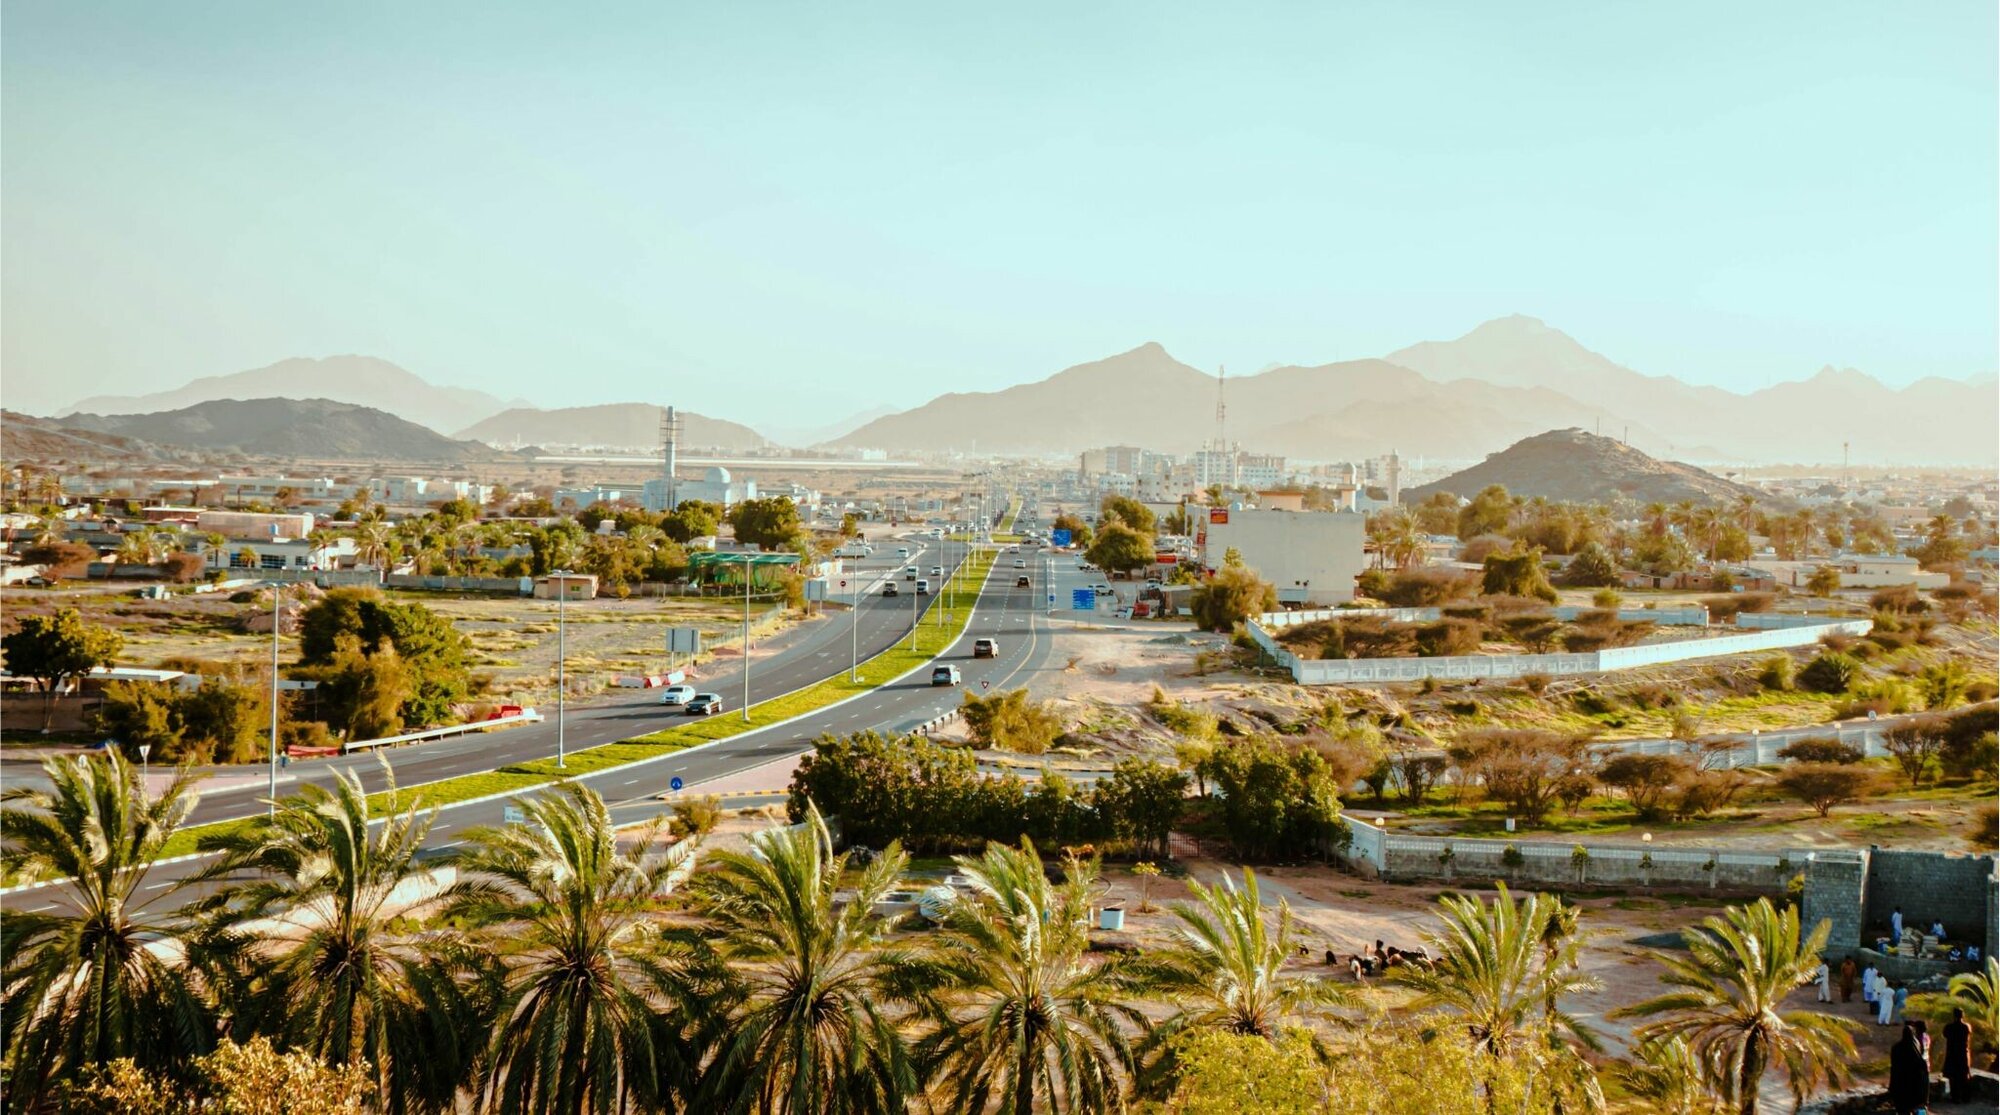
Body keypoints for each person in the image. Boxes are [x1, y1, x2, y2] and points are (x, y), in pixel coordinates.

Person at [1887, 1022, 1929, 1115]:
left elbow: (1894, 1067)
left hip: (1901, 1083)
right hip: (1915, 1084)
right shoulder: (1916, 1045)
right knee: (1916, 1108)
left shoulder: (1896, 1047)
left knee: (1903, 1109)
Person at [1942, 1007, 1972, 1101]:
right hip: (1963, 1054)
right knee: (1963, 1076)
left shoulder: (1949, 1027)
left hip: (1952, 1054)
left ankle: (1955, 1097)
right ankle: (1965, 1097)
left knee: (1953, 1077)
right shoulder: (1966, 1027)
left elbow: (1945, 1034)